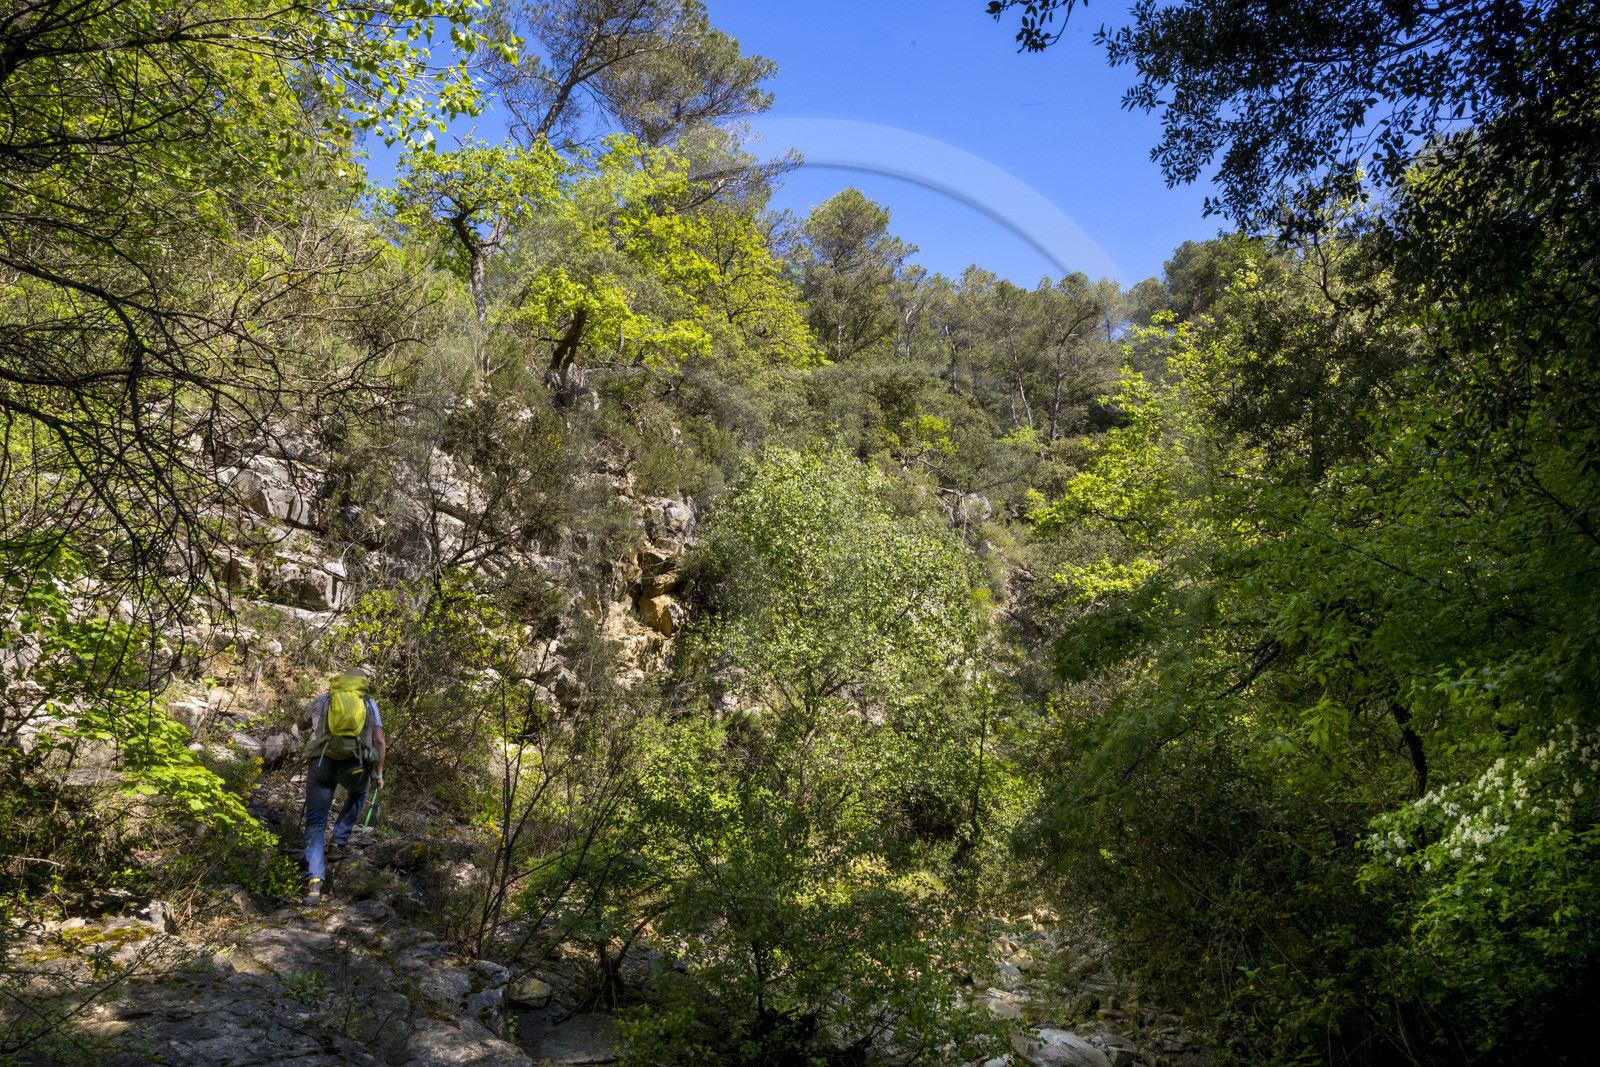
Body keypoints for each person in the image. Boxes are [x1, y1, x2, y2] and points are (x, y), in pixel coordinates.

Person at [296, 668, 386, 905]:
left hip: (321, 763)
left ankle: (314, 881)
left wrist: (308, 720)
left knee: (315, 821)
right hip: (353, 765)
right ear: (362, 685)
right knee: (358, 792)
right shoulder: (369, 704)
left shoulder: (323, 700)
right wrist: (378, 773)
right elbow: (379, 741)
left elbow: (301, 726)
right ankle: (339, 841)